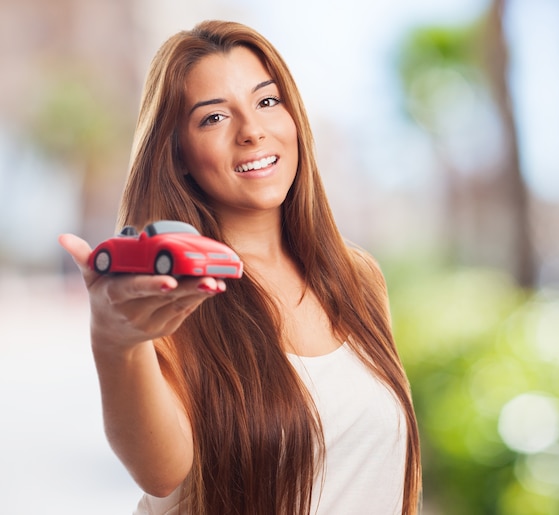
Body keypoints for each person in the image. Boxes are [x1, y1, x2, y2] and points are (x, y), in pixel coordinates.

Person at [59, 19, 421, 514]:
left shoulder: (356, 279)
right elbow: (160, 472)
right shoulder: (171, 291)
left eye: (267, 101)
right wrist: (117, 342)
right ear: (179, 154)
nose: (252, 131)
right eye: (213, 118)